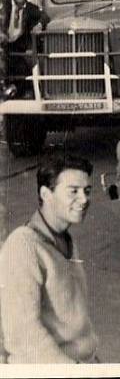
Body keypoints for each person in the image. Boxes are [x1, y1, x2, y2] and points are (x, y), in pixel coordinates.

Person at [0, 153, 99, 364]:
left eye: (87, 191)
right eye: (73, 191)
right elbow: (24, 335)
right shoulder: (24, 246)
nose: (84, 199)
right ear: (46, 194)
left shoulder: (65, 240)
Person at [3, 0, 49, 97]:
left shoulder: (31, 8)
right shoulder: (5, 6)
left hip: (21, 46)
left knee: (26, 63)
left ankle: (18, 90)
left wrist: (39, 25)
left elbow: (45, 16)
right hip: (4, 44)